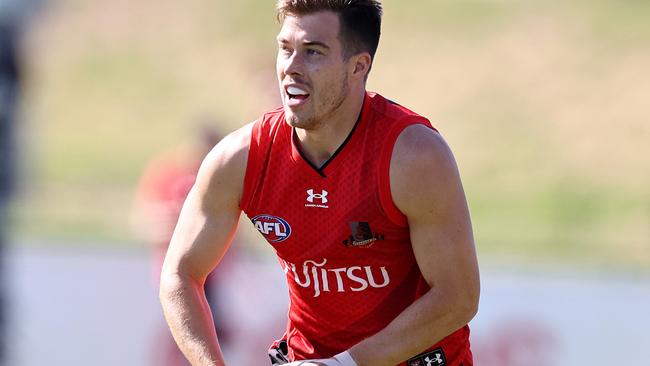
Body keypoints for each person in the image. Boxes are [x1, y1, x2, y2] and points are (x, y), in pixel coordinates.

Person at [159, 1, 480, 365]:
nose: (290, 68)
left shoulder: (413, 156)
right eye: (285, 49)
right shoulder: (239, 158)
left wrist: (345, 364)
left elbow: (458, 297)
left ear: (359, 66)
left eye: (313, 52)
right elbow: (181, 273)